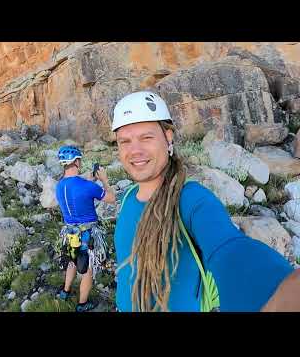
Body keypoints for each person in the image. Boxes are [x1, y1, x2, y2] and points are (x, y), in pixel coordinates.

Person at [112, 91, 298, 312]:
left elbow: (229, 249)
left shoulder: (191, 199)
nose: (135, 150)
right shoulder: (128, 197)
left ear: (168, 137)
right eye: (125, 141)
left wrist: (282, 291)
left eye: (146, 137)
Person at [55, 145, 116, 312]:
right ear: (76, 161)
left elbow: (76, 188)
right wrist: (104, 180)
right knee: (88, 270)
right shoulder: (87, 186)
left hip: (69, 232)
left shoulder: (60, 186)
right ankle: (82, 305)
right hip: (87, 234)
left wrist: (88, 180)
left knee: (72, 262)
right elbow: (111, 198)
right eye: (79, 160)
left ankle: (65, 292)